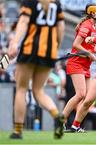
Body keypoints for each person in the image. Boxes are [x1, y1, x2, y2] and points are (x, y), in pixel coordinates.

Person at [8, 0, 65, 139]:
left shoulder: (30, 1)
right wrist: (55, 49)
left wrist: (14, 42)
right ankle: (57, 115)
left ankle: (18, 131)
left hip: (29, 49)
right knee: (39, 91)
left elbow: (23, 22)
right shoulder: (56, 3)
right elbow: (61, 28)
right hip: (49, 53)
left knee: (21, 89)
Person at [63, 3, 96, 127]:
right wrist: (89, 54)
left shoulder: (95, 27)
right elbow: (76, 44)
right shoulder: (87, 26)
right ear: (92, 13)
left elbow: (91, 47)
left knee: (88, 98)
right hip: (76, 63)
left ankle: (76, 125)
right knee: (80, 94)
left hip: (85, 65)